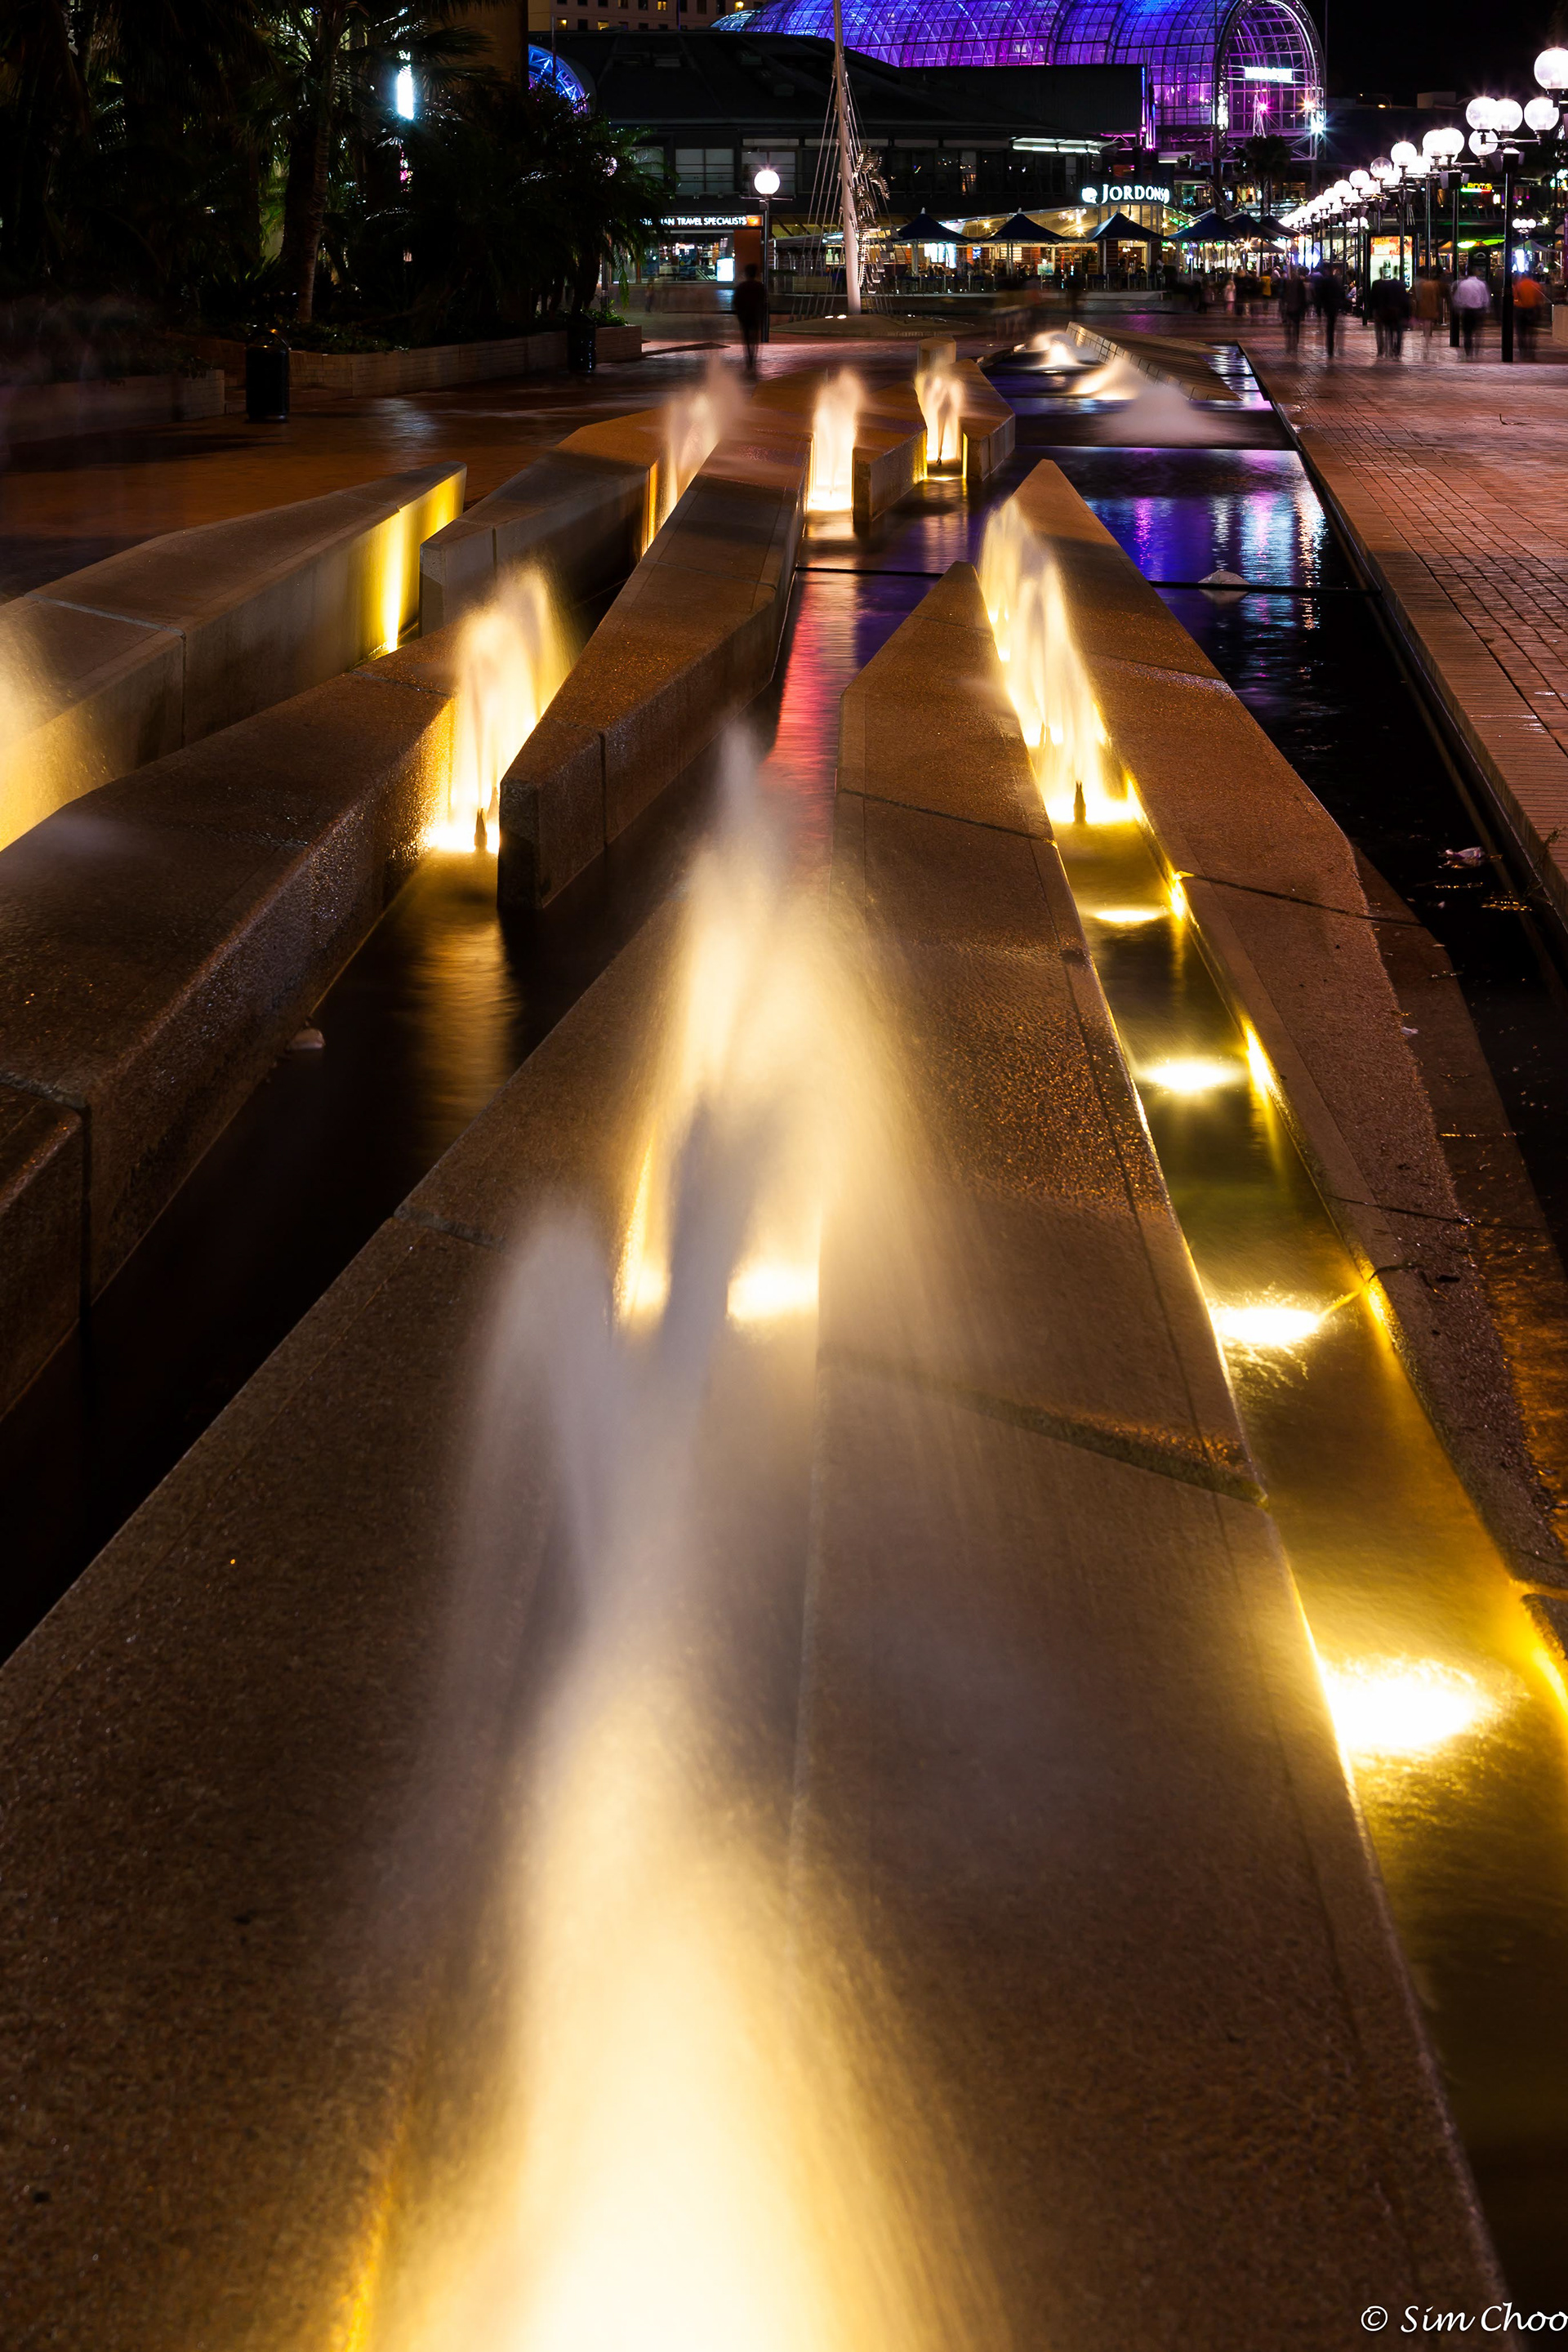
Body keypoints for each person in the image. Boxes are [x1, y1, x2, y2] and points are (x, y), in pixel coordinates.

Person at [733, 261, 768, 376]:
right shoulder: (760, 287)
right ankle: (753, 361)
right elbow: (764, 302)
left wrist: (739, 314)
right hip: (755, 315)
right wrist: (762, 314)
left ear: (746, 273)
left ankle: (749, 362)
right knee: (754, 339)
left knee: (747, 339)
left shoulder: (741, 287)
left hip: (745, 316)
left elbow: (735, 302)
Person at [1450, 265, 1490, 357]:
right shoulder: (1481, 284)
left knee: (1467, 333)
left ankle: (1468, 352)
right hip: (1478, 311)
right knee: (1478, 331)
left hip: (1467, 311)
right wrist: (1486, 308)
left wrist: (1458, 308)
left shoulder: (1463, 284)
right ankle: (1477, 349)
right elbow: (1486, 299)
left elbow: (1457, 299)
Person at [1312, 264, 1348, 359]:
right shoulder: (1336, 281)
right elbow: (1340, 293)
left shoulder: (1325, 281)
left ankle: (1330, 348)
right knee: (1334, 326)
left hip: (1328, 306)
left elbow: (1321, 294)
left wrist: (1320, 306)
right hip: (1335, 306)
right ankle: (1335, 347)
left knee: (1330, 327)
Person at [1514, 268, 1546, 358]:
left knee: (1521, 332)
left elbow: (1515, 298)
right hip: (1532, 309)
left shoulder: (1518, 285)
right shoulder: (1536, 285)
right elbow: (1540, 299)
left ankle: (1522, 350)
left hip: (1520, 310)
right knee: (1532, 331)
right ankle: (1531, 349)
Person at [1413, 268, 1444, 359]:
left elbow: (1415, 296)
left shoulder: (1416, 283)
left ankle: (1425, 338)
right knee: (1427, 324)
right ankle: (1427, 340)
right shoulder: (1430, 285)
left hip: (1420, 306)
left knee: (1424, 323)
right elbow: (1434, 298)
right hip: (1428, 307)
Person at [1278, 266, 1307, 355]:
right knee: (1295, 325)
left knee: (1290, 325)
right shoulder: (1295, 282)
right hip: (1295, 307)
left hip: (1291, 306)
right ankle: (1294, 341)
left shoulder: (1287, 281)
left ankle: (1291, 341)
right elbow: (1303, 296)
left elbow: (1283, 295)